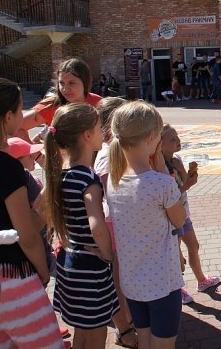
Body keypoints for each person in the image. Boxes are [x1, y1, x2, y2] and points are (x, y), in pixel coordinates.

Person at [107, 101, 186, 349]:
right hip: (162, 282)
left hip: (132, 283)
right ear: (153, 137)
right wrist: (162, 168)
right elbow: (180, 219)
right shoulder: (160, 184)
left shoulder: (114, 179)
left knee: (146, 340)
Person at [0, 78, 64, 349]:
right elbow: (26, 235)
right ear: (8, 116)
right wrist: (42, 271)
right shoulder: (5, 167)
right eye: (19, 109)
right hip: (12, 276)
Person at [44, 103, 118, 348]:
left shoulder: (61, 174)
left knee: (82, 332)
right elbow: (96, 224)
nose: (102, 132)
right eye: (99, 128)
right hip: (90, 266)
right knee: (97, 334)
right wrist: (108, 254)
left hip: (69, 262)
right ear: (87, 135)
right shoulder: (87, 178)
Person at [93, 97, 138, 349]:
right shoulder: (107, 153)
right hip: (114, 223)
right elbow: (111, 190)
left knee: (122, 277)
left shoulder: (115, 150)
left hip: (118, 222)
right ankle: (126, 328)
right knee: (118, 281)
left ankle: (129, 323)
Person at [160, 125, 220, 304]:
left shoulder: (176, 158)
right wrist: (186, 185)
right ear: (160, 144)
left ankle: (201, 280)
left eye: (177, 137)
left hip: (183, 214)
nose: (178, 141)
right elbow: (169, 196)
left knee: (194, 246)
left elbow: (186, 183)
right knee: (175, 257)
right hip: (170, 219)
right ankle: (177, 289)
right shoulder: (159, 166)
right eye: (173, 140)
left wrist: (185, 172)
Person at [19, 58, 102, 142]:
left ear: (85, 82)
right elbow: (17, 127)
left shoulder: (99, 103)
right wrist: (33, 152)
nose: (65, 89)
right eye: (61, 83)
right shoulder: (51, 106)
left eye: (71, 83)